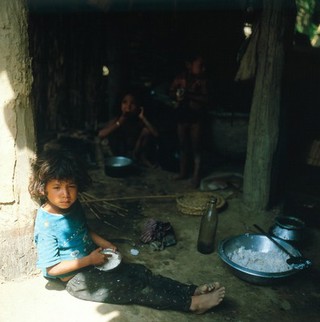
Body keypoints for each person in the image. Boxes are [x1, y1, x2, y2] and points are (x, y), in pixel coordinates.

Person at [29, 149, 225, 314]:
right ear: (43, 189)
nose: (66, 194)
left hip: (94, 262)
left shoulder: (73, 205)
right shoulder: (47, 224)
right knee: (133, 287)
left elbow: (83, 229)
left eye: (71, 187)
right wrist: (88, 260)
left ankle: (191, 290)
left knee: (142, 273)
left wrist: (104, 244)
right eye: (57, 188)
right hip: (76, 280)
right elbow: (51, 269)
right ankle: (191, 304)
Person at [169, 54, 208, 187]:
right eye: (200, 65)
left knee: (196, 147)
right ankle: (183, 172)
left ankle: (196, 176)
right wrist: (176, 95)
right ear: (189, 65)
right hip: (182, 115)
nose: (203, 69)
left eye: (204, 66)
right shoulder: (180, 78)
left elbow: (206, 99)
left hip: (196, 117)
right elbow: (171, 91)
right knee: (183, 145)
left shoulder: (203, 81)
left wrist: (189, 95)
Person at [98, 91, 159, 168]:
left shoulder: (139, 120)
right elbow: (101, 135)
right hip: (119, 154)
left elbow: (156, 134)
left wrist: (143, 118)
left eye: (132, 103)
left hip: (135, 152)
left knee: (146, 131)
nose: (128, 106)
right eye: (125, 102)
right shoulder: (117, 119)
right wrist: (120, 122)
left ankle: (142, 159)